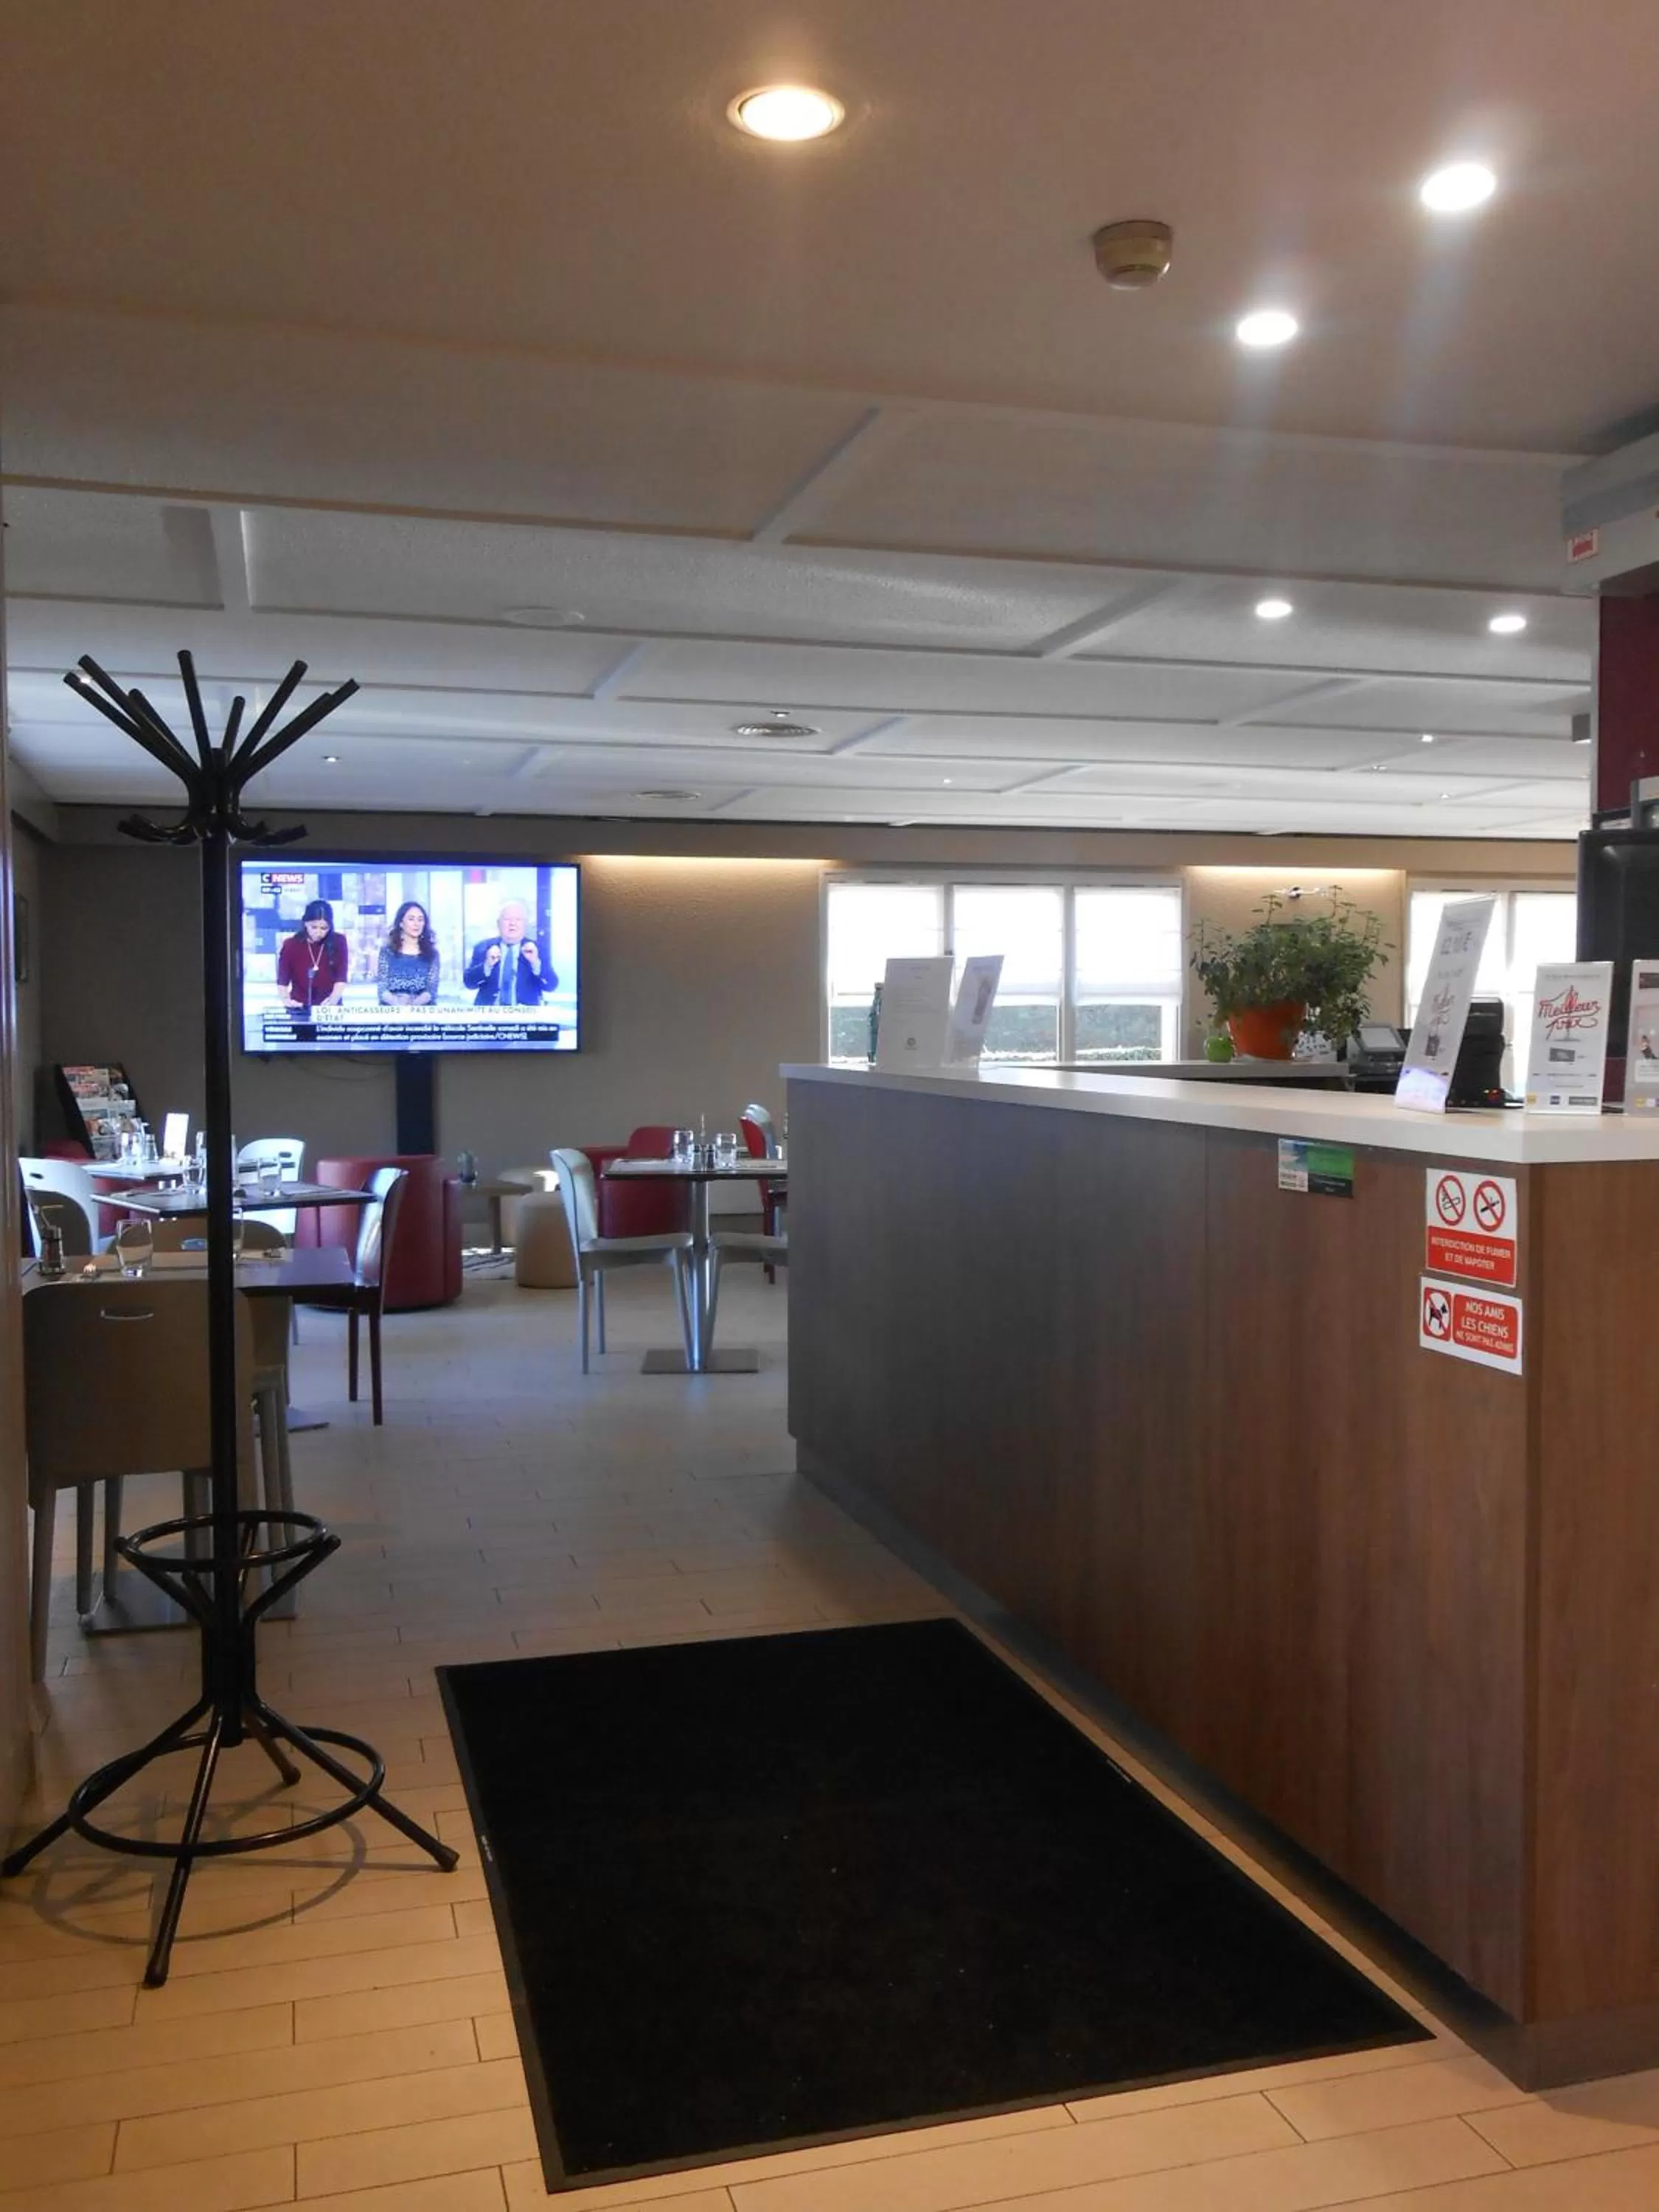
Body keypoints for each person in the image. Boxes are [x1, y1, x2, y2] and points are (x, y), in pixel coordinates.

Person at [463, 898, 555, 1006]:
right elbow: (469, 983)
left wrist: (535, 963)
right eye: (507, 919)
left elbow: (551, 985)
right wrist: (487, 965)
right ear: (498, 924)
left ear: (525, 924)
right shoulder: (483, 948)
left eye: (518, 919)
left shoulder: (537, 949)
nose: (512, 923)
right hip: (489, 1016)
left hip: (526, 1018)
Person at [276, 897, 350, 1011]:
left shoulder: (339, 942)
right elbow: (282, 980)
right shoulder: (291, 945)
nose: (319, 933)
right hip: (299, 1006)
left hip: (330, 1007)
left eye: (324, 928)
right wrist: (287, 1001)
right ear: (305, 923)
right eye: (314, 927)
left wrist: (333, 999)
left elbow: (341, 976)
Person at [376, 900, 440, 1004]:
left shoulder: (432, 954)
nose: (416, 924)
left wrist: (413, 1006)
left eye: (420, 920)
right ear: (401, 923)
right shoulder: (387, 952)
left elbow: (431, 990)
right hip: (392, 1012)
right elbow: (382, 989)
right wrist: (399, 1005)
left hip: (423, 1013)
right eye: (411, 919)